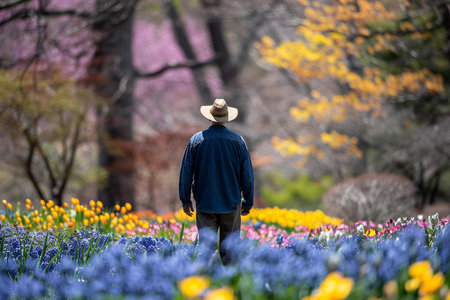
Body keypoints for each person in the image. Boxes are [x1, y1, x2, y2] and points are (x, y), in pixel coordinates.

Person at [179, 98, 254, 265]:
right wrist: (248, 201)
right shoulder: (238, 142)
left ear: (210, 117)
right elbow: (247, 174)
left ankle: (208, 287)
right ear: (227, 118)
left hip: (205, 203)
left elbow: (186, 172)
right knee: (231, 255)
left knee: (207, 253)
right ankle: (229, 288)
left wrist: (185, 199)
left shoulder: (196, 141)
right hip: (231, 202)